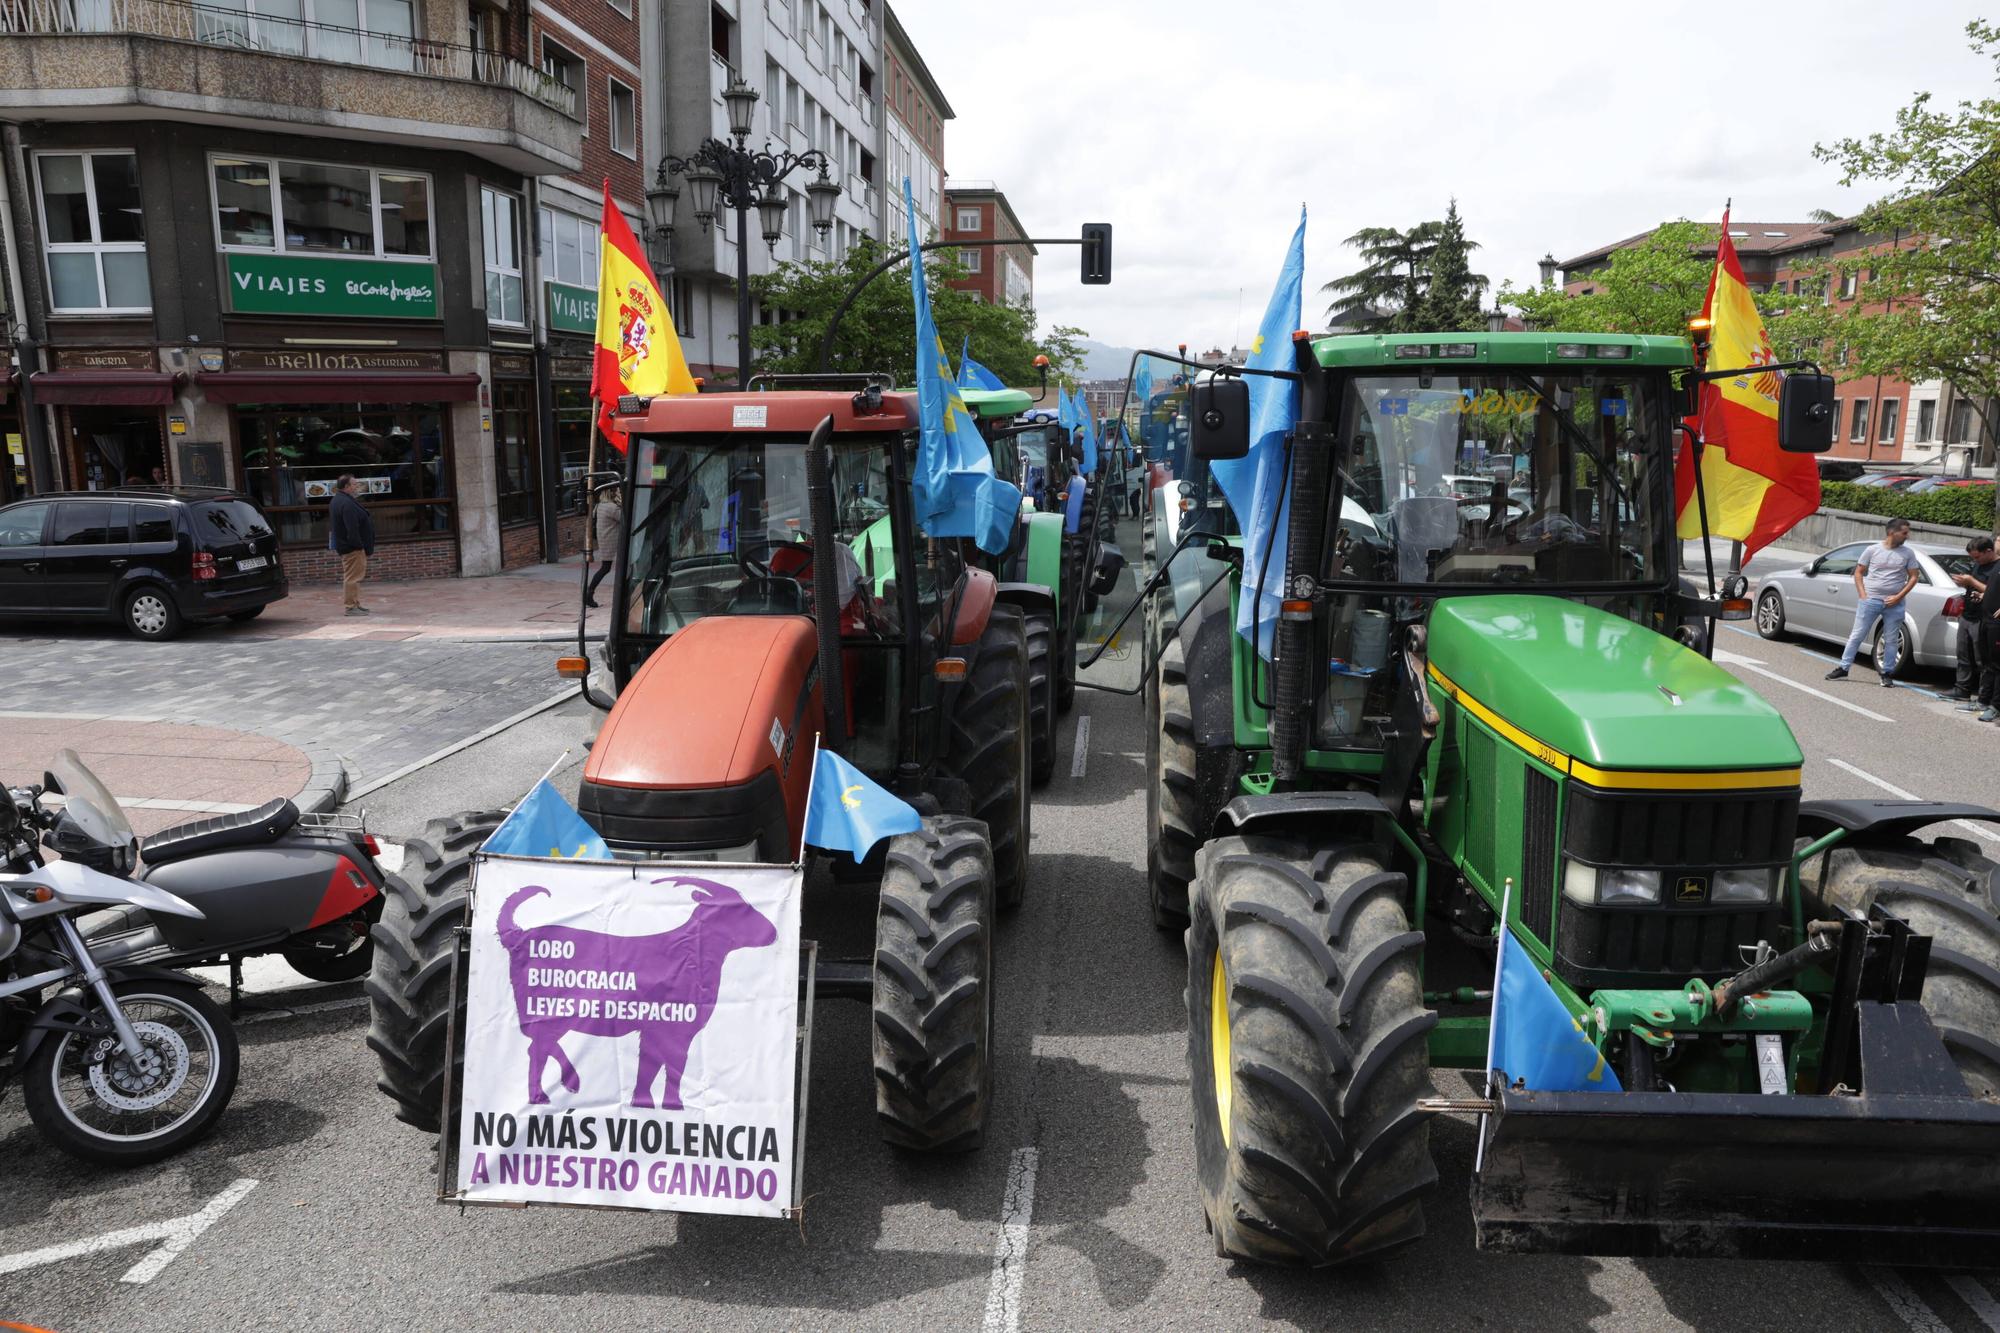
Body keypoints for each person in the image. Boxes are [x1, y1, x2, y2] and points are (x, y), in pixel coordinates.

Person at [1826, 516, 1921, 686]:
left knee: (1891, 638)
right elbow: (1858, 572)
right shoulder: (1872, 550)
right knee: (1857, 635)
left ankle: (1886, 673)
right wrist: (1863, 594)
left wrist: (1898, 597)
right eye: (1904, 533)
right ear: (1892, 532)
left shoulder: (1908, 553)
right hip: (1871, 600)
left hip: (1895, 603)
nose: (1907, 536)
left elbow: (1914, 577)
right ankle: (1843, 668)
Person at [1948, 534, 1998, 706]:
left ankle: (1984, 697)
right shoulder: (1978, 565)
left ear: (1989, 551)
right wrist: (1966, 583)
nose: (1975, 561)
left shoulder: (1997, 567)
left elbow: (1991, 591)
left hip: (1983, 619)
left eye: (1977, 557)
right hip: (1967, 614)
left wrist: (1971, 581)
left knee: (1983, 660)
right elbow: (1977, 586)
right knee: (1963, 655)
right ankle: (1961, 689)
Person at [328, 474, 376, 617]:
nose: (356, 486)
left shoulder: (341, 500)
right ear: (347, 487)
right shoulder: (346, 503)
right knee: (352, 578)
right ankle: (350, 607)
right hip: (352, 548)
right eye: (354, 484)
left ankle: (355, 604)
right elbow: (352, 528)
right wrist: (358, 545)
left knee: (354, 577)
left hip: (349, 546)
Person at [584, 487, 621, 609]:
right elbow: (625, 519)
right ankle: (589, 594)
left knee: (605, 568)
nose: (617, 493)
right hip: (612, 542)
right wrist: (621, 502)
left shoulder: (600, 506)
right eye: (615, 491)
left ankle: (589, 593)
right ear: (609, 493)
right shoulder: (612, 507)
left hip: (604, 540)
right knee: (607, 568)